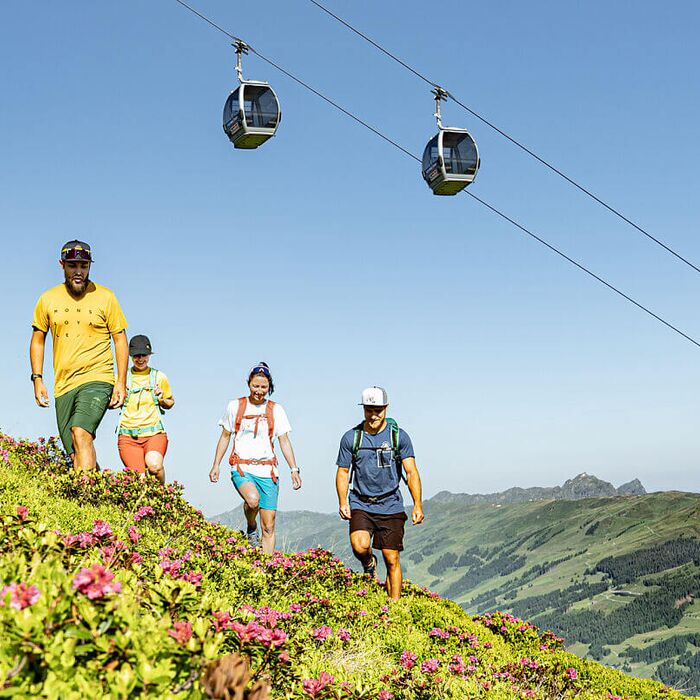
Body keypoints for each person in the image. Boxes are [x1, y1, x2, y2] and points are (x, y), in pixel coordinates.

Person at [30, 240, 128, 471]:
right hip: (64, 385)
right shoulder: (47, 299)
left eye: (84, 266)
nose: (79, 272)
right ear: (62, 265)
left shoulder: (106, 297)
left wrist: (121, 383)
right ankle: (99, 495)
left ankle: (84, 501)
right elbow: (37, 340)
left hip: (98, 378)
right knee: (75, 452)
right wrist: (37, 378)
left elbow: (120, 339)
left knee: (81, 432)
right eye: (73, 265)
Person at [336, 386, 424, 601]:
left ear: (386, 408)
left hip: (391, 504)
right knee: (360, 545)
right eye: (369, 410)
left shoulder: (399, 437)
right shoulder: (352, 438)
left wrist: (417, 504)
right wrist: (342, 501)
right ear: (363, 409)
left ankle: (393, 606)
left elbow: (411, 472)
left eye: (378, 410)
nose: (373, 415)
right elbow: (343, 471)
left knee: (391, 558)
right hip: (361, 502)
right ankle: (368, 563)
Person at [209, 363, 302, 553]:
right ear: (249, 384)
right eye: (255, 386)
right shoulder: (235, 406)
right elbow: (225, 436)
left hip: (268, 471)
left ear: (270, 387)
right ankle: (251, 526)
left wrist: (294, 469)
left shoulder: (276, 410)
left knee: (268, 526)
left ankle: (266, 569)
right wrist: (216, 464)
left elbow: (284, 441)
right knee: (252, 500)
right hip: (242, 467)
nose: (259, 391)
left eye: (263, 387)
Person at [116, 335, 175, 483]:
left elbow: (170, 402)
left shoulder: (159, 377)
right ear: (130, 356)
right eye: (136, 355)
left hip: (154, 433)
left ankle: (162, 496)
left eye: (144, 355)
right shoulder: (122, 377)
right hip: (128, 436)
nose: (140, 359)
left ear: (149, 355)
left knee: (154, 466)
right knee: (140, 480)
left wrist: (161, 398)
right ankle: (147, 505)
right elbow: (111, 404)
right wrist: (121, 395)